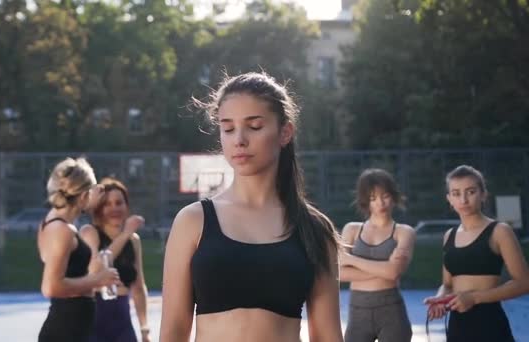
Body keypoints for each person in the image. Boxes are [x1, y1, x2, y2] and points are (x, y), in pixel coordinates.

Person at [159, 72, 343, 342]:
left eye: (254, 126)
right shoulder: (193, 221)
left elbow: (328, 336)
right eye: (228, 128)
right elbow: (173, 331)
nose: (239, 140)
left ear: (285, 132)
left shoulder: (313, 228)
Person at [424, 165, 529, 341]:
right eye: (456, 193)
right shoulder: (449, 235)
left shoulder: (500, 231)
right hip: (457, 326)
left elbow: (524, 283)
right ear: (449, 199)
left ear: (483, 194)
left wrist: (474, 298)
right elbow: (448, 284)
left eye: (470, 192)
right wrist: (440, 299)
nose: (463, 200)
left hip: (490, 324)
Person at [37, 157, 121, 342]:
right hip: (65, 329)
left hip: (71, 327)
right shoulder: (62, 231)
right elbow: (51, 287)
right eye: (91, 192)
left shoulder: (53, 222)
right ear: (83, 196)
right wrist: (97, 280)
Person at [339, 168, 415, 342]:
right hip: (357, 314)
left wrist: (351, 260)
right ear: (366, 201)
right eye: (373, 198)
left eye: (385, 196)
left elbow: (394, 273)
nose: (380, 203)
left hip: (391, 312)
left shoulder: (404, 232)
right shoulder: (352, 229)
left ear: (393, 196)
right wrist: (385, 269)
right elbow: (339, 273)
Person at [80, 177, 150, 342]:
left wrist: (145, 329)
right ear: (98, 209)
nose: (114, 208)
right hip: (93, 319)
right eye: (107, 204)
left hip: (122, 321)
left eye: (119, 203)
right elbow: (94, 269)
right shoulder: (89, 232)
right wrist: (124, 234)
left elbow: (139, 287)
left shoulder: (133, 240)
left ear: (126, 206)